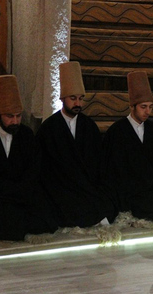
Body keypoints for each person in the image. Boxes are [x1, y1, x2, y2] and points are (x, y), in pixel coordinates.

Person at [0, 75, 58, 241]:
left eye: (18, 116)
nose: (15, 121)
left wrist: (20, 193)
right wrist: (10, 193)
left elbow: (33, 172)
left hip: (22, 198)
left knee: (49, 217)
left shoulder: (26, 135)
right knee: (4, 223)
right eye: (10, 116)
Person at [36, 61, 117, 228]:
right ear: (63, 98)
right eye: (73, 98)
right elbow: (44, 168)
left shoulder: (89, 126)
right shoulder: (48, 128)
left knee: (107, 201)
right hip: (61, 188)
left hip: (87, 186)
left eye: (81, 99)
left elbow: (98, 163)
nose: (78, 104)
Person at [102, 71, 153, 221]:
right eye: (143, 107)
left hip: (152, 187)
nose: (148, 112)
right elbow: (113, 170)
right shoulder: (117, 131)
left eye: (150, 107)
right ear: (132, 106)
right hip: (129, 190)